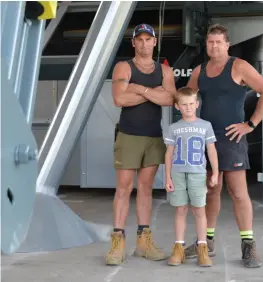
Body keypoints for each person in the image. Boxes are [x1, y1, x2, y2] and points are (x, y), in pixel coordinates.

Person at [184, 24, 263, 268]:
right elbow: (185, 99)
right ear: (206, 45)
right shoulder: (199, 71)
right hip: (206, 139)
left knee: (238, 193)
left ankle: (248, 246)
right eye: (210, 42)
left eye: (218, 42)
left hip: (232, 138)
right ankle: (208, 241)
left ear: (227, 45)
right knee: (212, 190)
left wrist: (250, 124)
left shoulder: (239, 66)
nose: (214, 46)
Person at [105, 23, 176, 265]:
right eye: (140, 39)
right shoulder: (124, 67)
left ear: (155, 42)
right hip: (129, 135)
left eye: (149, 39)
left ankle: (143, 244)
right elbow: (119, 99)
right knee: (123, 189)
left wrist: (140, 88)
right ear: (133, 43)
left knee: (146, 189)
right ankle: (117, 243)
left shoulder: (164, 71)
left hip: (153, 137)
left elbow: (169, 99)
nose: (144, 44)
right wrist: (152, 92)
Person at [164, 87, 219, 267]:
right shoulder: (173, 128)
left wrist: (215, 172)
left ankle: (202, 248)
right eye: (184, 105)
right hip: (178, 173)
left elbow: (211, 150)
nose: (188, 108)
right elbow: (169, 153)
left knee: (199, 210)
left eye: (191, 104)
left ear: (197, 104)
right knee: (180, 210)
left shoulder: (205, 125)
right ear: (177, 106)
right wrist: (167, 177)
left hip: (197, 173)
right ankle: (178, 248)